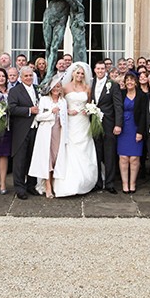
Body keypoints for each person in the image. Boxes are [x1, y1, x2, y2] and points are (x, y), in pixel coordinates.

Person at [50, 62, 98, 197]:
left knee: (84, 148)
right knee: (70, 149)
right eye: (78, 72)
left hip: (83, 123)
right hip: (71, 123)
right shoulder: (65, 87)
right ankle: (69, 183)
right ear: (72, 73)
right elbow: (60, 102)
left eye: (82, 73)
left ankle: (85, 182)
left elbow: (89, 103)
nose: (80, 75)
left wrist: (88, 111)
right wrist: (67, 110)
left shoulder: (87, 88)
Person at [28, 81, 65, 198]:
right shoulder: (44, 100)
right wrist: (51, 112)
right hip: (46, 132)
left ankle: (54, 183)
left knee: (56, 158)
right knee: (47, 158)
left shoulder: (63, 101)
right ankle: (47, 185)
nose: (56, 89)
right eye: (54, 87)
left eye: (58, 87)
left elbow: (65, 119)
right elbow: (38, 117)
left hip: (59, 133)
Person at [91, 61, 123, 194]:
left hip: (109, 124)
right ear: (94, 69)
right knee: (96, 154)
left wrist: (118, 124)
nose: (100, 71)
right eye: (98, 68)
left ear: (106, 70)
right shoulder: (91, 84)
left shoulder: (113, 85)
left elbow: (118, 106)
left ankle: (109, 183)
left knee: (109, 154)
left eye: (102, 68)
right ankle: (98, 182)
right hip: (94, 124)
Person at [9, 65, 40, 200]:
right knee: (20, 160)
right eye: (26, 76)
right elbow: (12, 108)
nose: (29, 78)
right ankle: (20, 188)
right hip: (21, 130)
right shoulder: (15, 91)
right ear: (21, 78)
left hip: (35, 129)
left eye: (30, 75)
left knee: (33, 158)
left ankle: (31, 185)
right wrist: (29, 110)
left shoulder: (37, 89)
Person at [117, 71, 147, 194]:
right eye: (127, 80)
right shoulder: (121, 94)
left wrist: (140, 131)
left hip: (135, 127)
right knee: (123, 157)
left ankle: (132, 183)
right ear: (124, 82)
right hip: (123, 128)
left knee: (134, 158)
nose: (129, 82)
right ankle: (124, 183)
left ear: (136, 82)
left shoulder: (142, 95)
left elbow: (144, 115)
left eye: (131, 80)